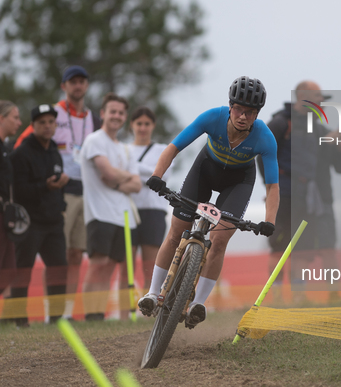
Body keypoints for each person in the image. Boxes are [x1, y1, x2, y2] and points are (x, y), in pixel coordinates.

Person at [138, 76, 279, 328]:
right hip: (205, 170)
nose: (243, 116)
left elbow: (272, 185)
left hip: (239, 181)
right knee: (176, 232)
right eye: (238, 109)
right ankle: (151, 293)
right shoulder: (212, 117)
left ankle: (198, 303)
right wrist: (156, 176)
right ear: (229, 106)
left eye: (250, 112)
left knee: (220, 239)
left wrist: (270, 221)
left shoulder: (265, 139)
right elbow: (174, 147)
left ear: (257, 114)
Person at [15, 65, 101, 319]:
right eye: (72, 81)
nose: (78, 86)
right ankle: (47, 311)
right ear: (64, 86)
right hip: (58, 193)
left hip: (86, 189)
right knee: (58, 253)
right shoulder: (52, 115)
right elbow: (22, 146)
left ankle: (66, 311)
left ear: (86, 86)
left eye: (82, 81)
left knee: (75, 253)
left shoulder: (94, 118)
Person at [260, 80, 341, 304]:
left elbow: (340, 167)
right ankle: (277, 297)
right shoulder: (280, 123)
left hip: (307, 200)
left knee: (302, 248)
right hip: (284, 195)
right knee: (279, 246)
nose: (323, 104)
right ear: (304, 98)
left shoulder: (318, 129)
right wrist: (270, 188)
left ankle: (299, 295)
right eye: (319, 98)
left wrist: (340, 147)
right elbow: (262, 155)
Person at [80, 93, 141, 321]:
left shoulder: (125, 148)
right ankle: (91, 316)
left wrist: (118, 179)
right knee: (97, 265)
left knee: (109, 268)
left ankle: (99, 315)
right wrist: (123, 178)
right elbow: (106, 172)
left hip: (123, 216)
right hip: (99, 213)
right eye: (112, 111)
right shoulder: (94, 140)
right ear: (103, 113)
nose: (116, 116)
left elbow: (136, 184)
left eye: (120, 112)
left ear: (125, 117)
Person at [8, 105, 69, 326]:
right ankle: (19, 319)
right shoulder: (21, 153)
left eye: (51, 122)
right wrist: (46, 186)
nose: (47, 126)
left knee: (59, 269)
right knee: (23, 270)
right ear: (32, 125)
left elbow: (56, 184)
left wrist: (60, 198)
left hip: (53, 221)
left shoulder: (54, 149)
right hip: (30, 222)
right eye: (42, 122)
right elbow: (19, 190)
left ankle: (56, 318)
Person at [127, 107, 171, 290]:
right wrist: (148, 171)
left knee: (150, 266)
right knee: (126, 267)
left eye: (146, 124)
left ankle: (149, 305)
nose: (142, 128)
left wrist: (132, 169)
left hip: (154, 211)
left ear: (152, 126)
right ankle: (125, 312)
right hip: (128, 210)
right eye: (139, 124)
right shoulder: (124, 149)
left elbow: (162, 175)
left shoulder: (163, 150)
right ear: (132, 126)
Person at [0, 101, 22, 297]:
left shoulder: (6, 147)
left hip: (6, 215)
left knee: (9, 270)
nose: (19, 122)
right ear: (1, 118)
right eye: (15, 117)